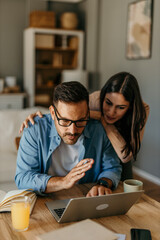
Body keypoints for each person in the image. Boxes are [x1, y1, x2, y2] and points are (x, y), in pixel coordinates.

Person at [20, 72, 149, 180]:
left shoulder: (141, 110)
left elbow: (126, 156)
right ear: (103, 96)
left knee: (123, 189)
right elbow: (67, 110)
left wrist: (102, 120)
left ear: (131, 106)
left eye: (121, 107)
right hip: (101, 150)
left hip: (122, 152)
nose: (111, 112)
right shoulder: (93, 100)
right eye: (108, 103)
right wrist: (43, 118)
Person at [15, 81, 122, 196]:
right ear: (52, 112)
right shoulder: (34, 130)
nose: (73, 130)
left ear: (88, 114)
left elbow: (112, 168)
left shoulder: (99, 130)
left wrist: (103, 184)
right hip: (45, 199)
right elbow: (23, 178)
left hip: (84, 198)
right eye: (65, 121)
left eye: (80, 121)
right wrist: (63, 181)